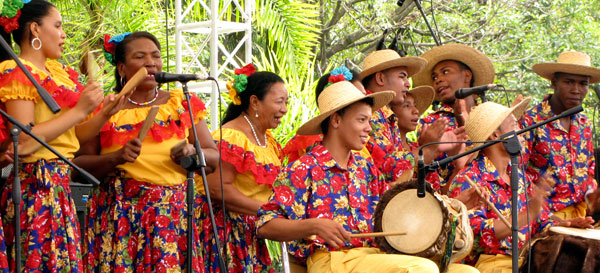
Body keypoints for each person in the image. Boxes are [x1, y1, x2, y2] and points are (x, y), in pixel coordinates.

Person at [257, 81, 478, 273]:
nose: (368, 129)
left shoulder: (365, 168)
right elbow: (265, 225)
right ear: (336, 120)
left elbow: (394, 206)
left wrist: (454, 206)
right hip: (331, 260)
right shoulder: (303, 167)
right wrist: (314, 226)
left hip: (372, 256)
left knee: (466, 271)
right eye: (362, 120)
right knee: (421, 269)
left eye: (369, 121)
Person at [73, 31, 219, 272]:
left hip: (172, 220)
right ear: (122, 68)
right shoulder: (104, 109)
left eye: (156, 56)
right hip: (119, 218)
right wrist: (116, 157)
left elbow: (213, 157)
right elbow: (78, 167)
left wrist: (191, 152)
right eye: (140, 57)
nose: (151, 63)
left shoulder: (180, 102)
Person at [0, 0, 125, 271]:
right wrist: (80, 109)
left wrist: (102, 113)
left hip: (59, 185)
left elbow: (74, 138)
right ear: (35, 29)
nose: (64, 34)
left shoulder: (58, 76)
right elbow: (24, 141)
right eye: (57, 26)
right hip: (34, 184)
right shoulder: (16, 70)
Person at [448, 100, 593, 273]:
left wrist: (566, 223)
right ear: (495, 134)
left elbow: (540, 220)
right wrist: (527, 215)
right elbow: (475, 236)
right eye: (514, 125)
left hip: (527, 257)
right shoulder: (469, 179)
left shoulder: (518, 175)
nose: (522, 132)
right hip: (492, 264)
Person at [198, 64, 288, 272]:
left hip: (251, 231)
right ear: (255, 101)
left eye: (286, 102)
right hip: (223, 233)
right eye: (279, 102)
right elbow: (217, 189)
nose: (284, 109)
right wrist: (265, 210)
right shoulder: (231, 137)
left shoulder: (268, 140)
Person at [521, 51, 600, 220]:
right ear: (554, 83)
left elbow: (588, 169)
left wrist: (592, 195)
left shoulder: (583, 123)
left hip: (579, 214)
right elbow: (517, 174)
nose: (576, 90)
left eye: (583, 83)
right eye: (569, 82)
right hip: (543, 219)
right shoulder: (531, 120)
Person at [412, 44, 495, 192]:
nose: (438, 80)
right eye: (434, 77)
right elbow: (430, 177)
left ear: (467, 76)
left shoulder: (492, 114)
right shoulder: (432, 123)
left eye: (445, 72)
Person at [360, 49, 448, 185]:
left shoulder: (386, 115)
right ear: (380, 78)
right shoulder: (370, 112)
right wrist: (429, 150)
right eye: (402, 77)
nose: (408, 83)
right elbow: (388, 167)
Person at [282, 66, 370, 164]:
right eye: (356, 96)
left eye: (364, 96)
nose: (363, 100)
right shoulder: (301, 169)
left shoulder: (365, 167)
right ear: (336, 119)